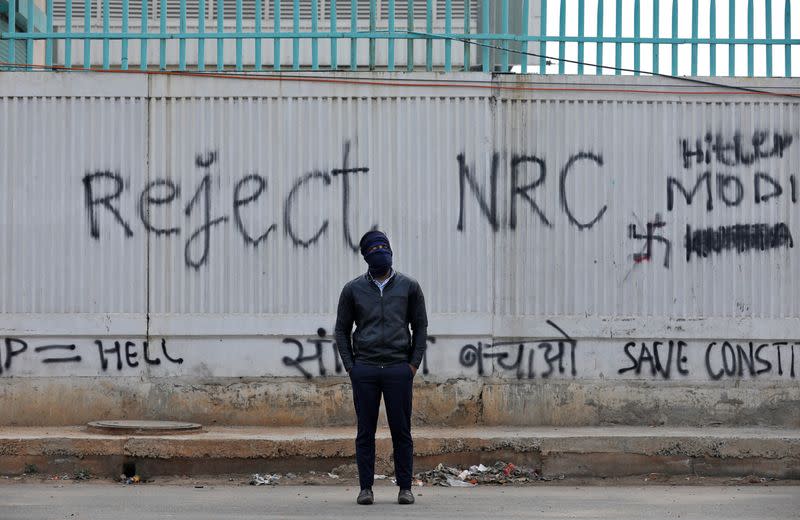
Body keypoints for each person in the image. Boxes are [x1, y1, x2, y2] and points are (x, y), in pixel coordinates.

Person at [334, 230, 428, 506]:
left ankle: (405, 488)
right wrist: (352, 367)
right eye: (373, 249)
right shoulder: (353, 289)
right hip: (365, 369)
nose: (380, 252)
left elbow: (420, 327)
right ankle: (365, 488)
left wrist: (412, 364)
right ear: (365, 256)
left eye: (383, 247)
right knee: (365, 432)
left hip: (399, 368)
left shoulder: (409, 287)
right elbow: (341, 330)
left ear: (390, 250)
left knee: (402, 431)